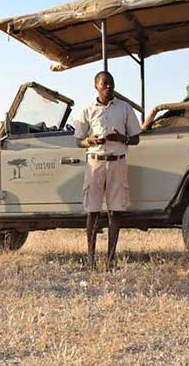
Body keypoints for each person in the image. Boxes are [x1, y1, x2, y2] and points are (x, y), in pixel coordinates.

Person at [73, 71, 141, 269]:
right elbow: (78, 140)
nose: (109, 87)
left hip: (117, 162)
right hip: (95, 162)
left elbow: (136, 137)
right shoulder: (87, 110)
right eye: (105, 83)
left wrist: (123, 139)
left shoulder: (124, 108)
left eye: (111, 83)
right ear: (96, 86)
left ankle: (111, 259)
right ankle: (91, 259)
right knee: (93, 211)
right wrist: (90, 141)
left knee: (115, 210)